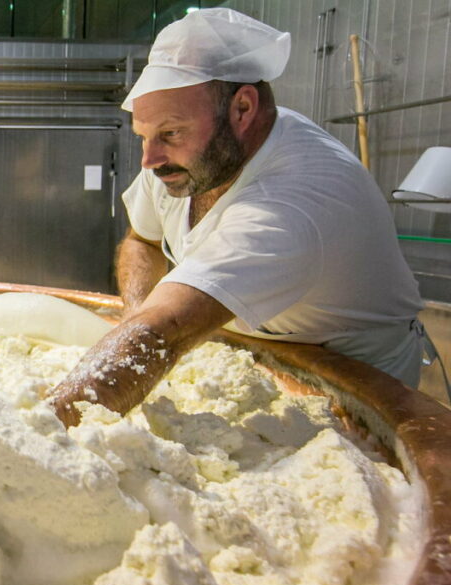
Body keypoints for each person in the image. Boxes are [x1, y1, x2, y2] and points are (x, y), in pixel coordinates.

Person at [50, 8, 427, 427]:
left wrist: (46, 427)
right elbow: (144, 241)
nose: (149, 159)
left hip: (347, 379)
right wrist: (135, 316)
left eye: (171, 133)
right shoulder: (183, 162)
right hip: (247, 351)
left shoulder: (294, 199)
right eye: (144, 136)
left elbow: (167, 330)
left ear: (242, 109)